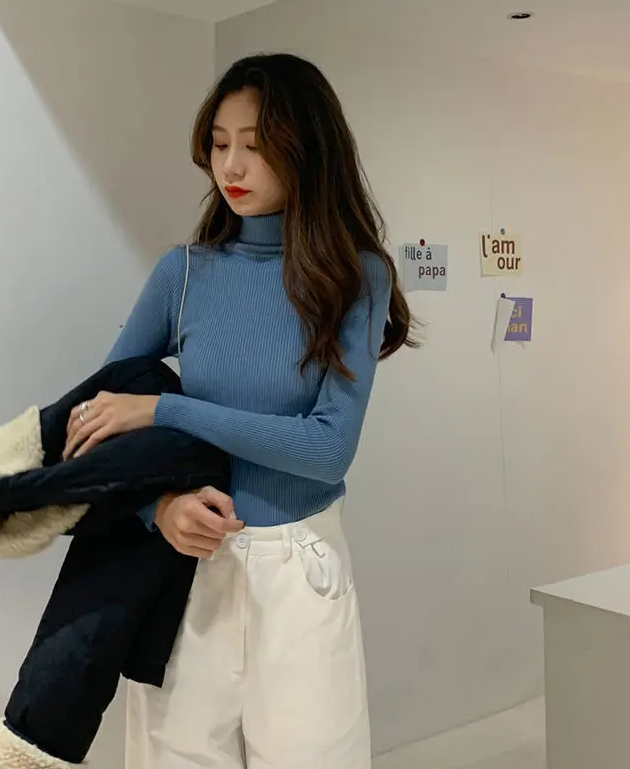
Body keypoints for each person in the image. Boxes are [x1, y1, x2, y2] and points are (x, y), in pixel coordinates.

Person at [63, 53, 415, 769]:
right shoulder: (184, 273)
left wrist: (166, 411)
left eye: (256, 145)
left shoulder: (356, 276)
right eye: (219, 143)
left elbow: (327, 450)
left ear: (307, 149)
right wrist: (159, 509)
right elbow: (94, 423)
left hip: (299, 574)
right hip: (186, 567)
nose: (232, 165)